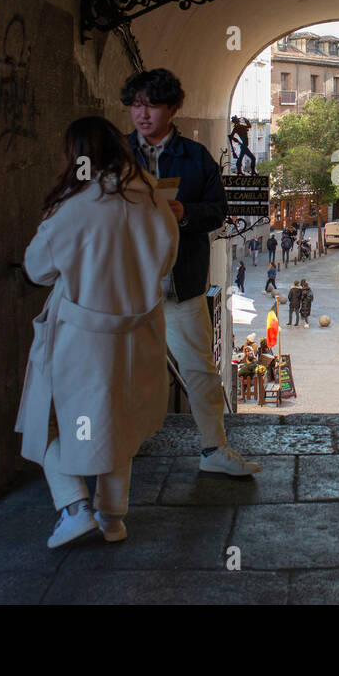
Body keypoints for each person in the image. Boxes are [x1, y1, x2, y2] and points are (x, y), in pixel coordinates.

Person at [17, 116, 177, 548]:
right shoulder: (151, 197)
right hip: (137, 334)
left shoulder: (76, 205)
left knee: (46, 420)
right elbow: (166, 260)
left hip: (82, 338)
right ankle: (112, 515)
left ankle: (74, 506)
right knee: (118, 423)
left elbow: (37, 268)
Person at [123, 68, 259, 477]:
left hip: (180, 284)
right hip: (127, 287)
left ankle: (213, 448)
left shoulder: (196, 158)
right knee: (121, 369)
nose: (142, 114)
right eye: (136, 105)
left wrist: (186, 214)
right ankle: (118, 446)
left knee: (199, 368)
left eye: (152, 105)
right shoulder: (118, 154)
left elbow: (219, 212)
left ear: (173, 109)